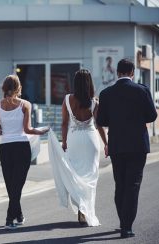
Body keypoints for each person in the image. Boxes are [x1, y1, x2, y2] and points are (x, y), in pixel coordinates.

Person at [96, 58, 157, 238]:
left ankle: (124, 221)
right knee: (133, 185)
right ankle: (126, 226)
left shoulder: (106, 93)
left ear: (117, 73)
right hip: (138, 145)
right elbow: (152, 115)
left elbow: (101, 121)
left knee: (120, 184)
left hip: (117, 144)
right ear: (132, 72)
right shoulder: (142, 90)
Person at [47, 69, 108, 227]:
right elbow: (99, 125)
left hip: (74, 140)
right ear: (89, 83)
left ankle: (81, 207)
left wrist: (64, 142)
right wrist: (107, 143)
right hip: (91, 140)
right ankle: (86, 210)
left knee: (75, 174)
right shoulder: (94, 102)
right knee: (91, 177)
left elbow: (64, 123)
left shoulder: (67, 99)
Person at [0, 74, 49, 229]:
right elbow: (27, 129)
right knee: (17, 185)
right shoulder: (25, 104)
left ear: (4, 87)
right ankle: (10, 219)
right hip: (22, 147)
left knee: (11, 185)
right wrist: (41, 132)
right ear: (18, 87)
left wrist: (6, 129)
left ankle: (18, 215)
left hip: (5, 147)